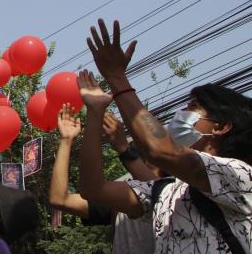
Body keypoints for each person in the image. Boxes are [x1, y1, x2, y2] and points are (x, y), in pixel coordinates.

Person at [79, 19, 252, 253]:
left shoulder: (239, 176)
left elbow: (159, 149)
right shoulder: (167, 190)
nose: (181, 114)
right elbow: (94, 189)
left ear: (220, 127)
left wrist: (116, 77)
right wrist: (95, 112)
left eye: (192, 107)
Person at [51, 103, 156, 253]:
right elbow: (59, 199)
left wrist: (124, 150)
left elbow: (157, 192)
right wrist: (66, 140)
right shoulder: (120, 203)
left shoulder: (179, 194)